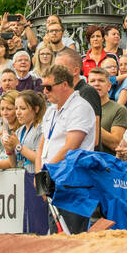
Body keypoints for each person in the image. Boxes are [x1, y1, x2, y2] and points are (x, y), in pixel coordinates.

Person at [36, 65, 98, 232]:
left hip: (73, 181)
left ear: (64, 85)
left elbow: (71, 146)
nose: (45, 91)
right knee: (57, 235)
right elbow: (42, 145)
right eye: (43, 87)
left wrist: (44, 171)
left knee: (73, 233)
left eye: (49, 87)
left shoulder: (80, 107)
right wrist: (40, 174)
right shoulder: (50, 112)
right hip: (54, 178)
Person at [87, 68, 127, 155]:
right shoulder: (82, 108)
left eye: (101, 81)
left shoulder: (119, 109)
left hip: (106, 163)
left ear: (109, 86)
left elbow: (116, 144)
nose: (96, 84)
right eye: (92, 81)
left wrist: (90, 122)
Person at [2, 89, 45, 173]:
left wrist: (18, 146)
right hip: (21, 179)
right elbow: (13, 164)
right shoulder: (19, 131)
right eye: (16, 108)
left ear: (36, 109)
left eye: (23, 108)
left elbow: (40, 159)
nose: (18, 113)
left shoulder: (41, 129)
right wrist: (9, 150)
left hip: (35, 178)